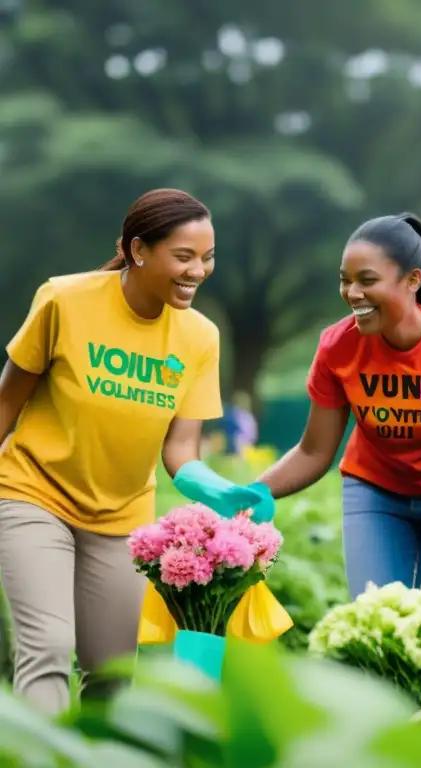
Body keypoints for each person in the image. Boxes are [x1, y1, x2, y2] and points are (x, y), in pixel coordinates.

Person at [0, 188, 264, 716]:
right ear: (139, 250)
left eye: (207, 257)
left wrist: (220, 490)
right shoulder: (64, 300)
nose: (199, 271)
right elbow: (7, 403)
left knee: (113, 674)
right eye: (184, 256)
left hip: (120, 517)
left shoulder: (199, 337)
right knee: (48, 648)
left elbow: (181, 451)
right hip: (33, 495)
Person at [248, 213, 421, 597]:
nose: (352, 292)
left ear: (413, 280)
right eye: (345, 280)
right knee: (374, 617)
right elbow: (314, 452)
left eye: (367, 280)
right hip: (376, 494)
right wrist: (251, 496)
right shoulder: (339, 346)